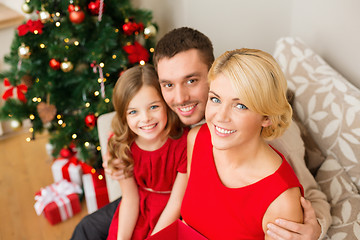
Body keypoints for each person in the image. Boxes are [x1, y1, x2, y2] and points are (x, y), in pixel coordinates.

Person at [71, 27, 331, 240]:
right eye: (168, 85)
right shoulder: (169, 112)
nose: (180, 97)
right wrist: (119, 157)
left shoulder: (273, 138)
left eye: (192, 80)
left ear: (213, 74)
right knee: (86, 229)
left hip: (188, 209)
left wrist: (315, 228)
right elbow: (134, 116)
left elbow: (308, 194)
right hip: (153, 198)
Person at [181, 48, 304, 239]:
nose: (220, 117)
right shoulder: (197, 138)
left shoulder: (282, 201)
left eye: (240, 105)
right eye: (215, 99)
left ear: (267, 117)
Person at [105, 64, 188, 239]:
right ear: (124, 116)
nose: (145, 118)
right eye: (133, 111)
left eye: (153, 107)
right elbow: (130, 199)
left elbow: (177, 202)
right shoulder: (123, 144)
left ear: (166, 104)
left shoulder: (184, 143)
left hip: (173, 215)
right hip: (138, 212)